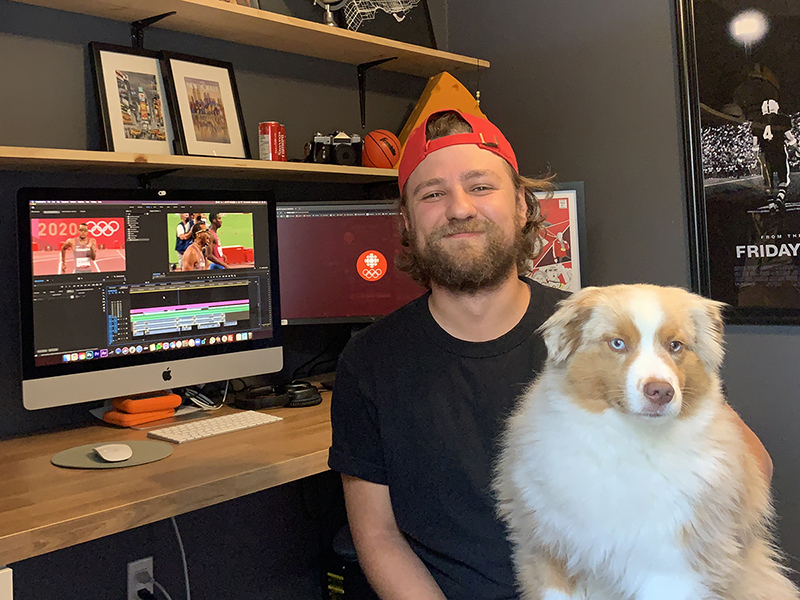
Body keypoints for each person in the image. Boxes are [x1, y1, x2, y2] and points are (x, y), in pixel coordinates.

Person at [328, 108, 773, 600]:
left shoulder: (597, 328)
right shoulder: (368, 361)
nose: (459, 209)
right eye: (432, 194)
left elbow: (750, 465)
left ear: (522, 206)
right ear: (407, 222)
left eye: (481, 186)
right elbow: (377, 535)